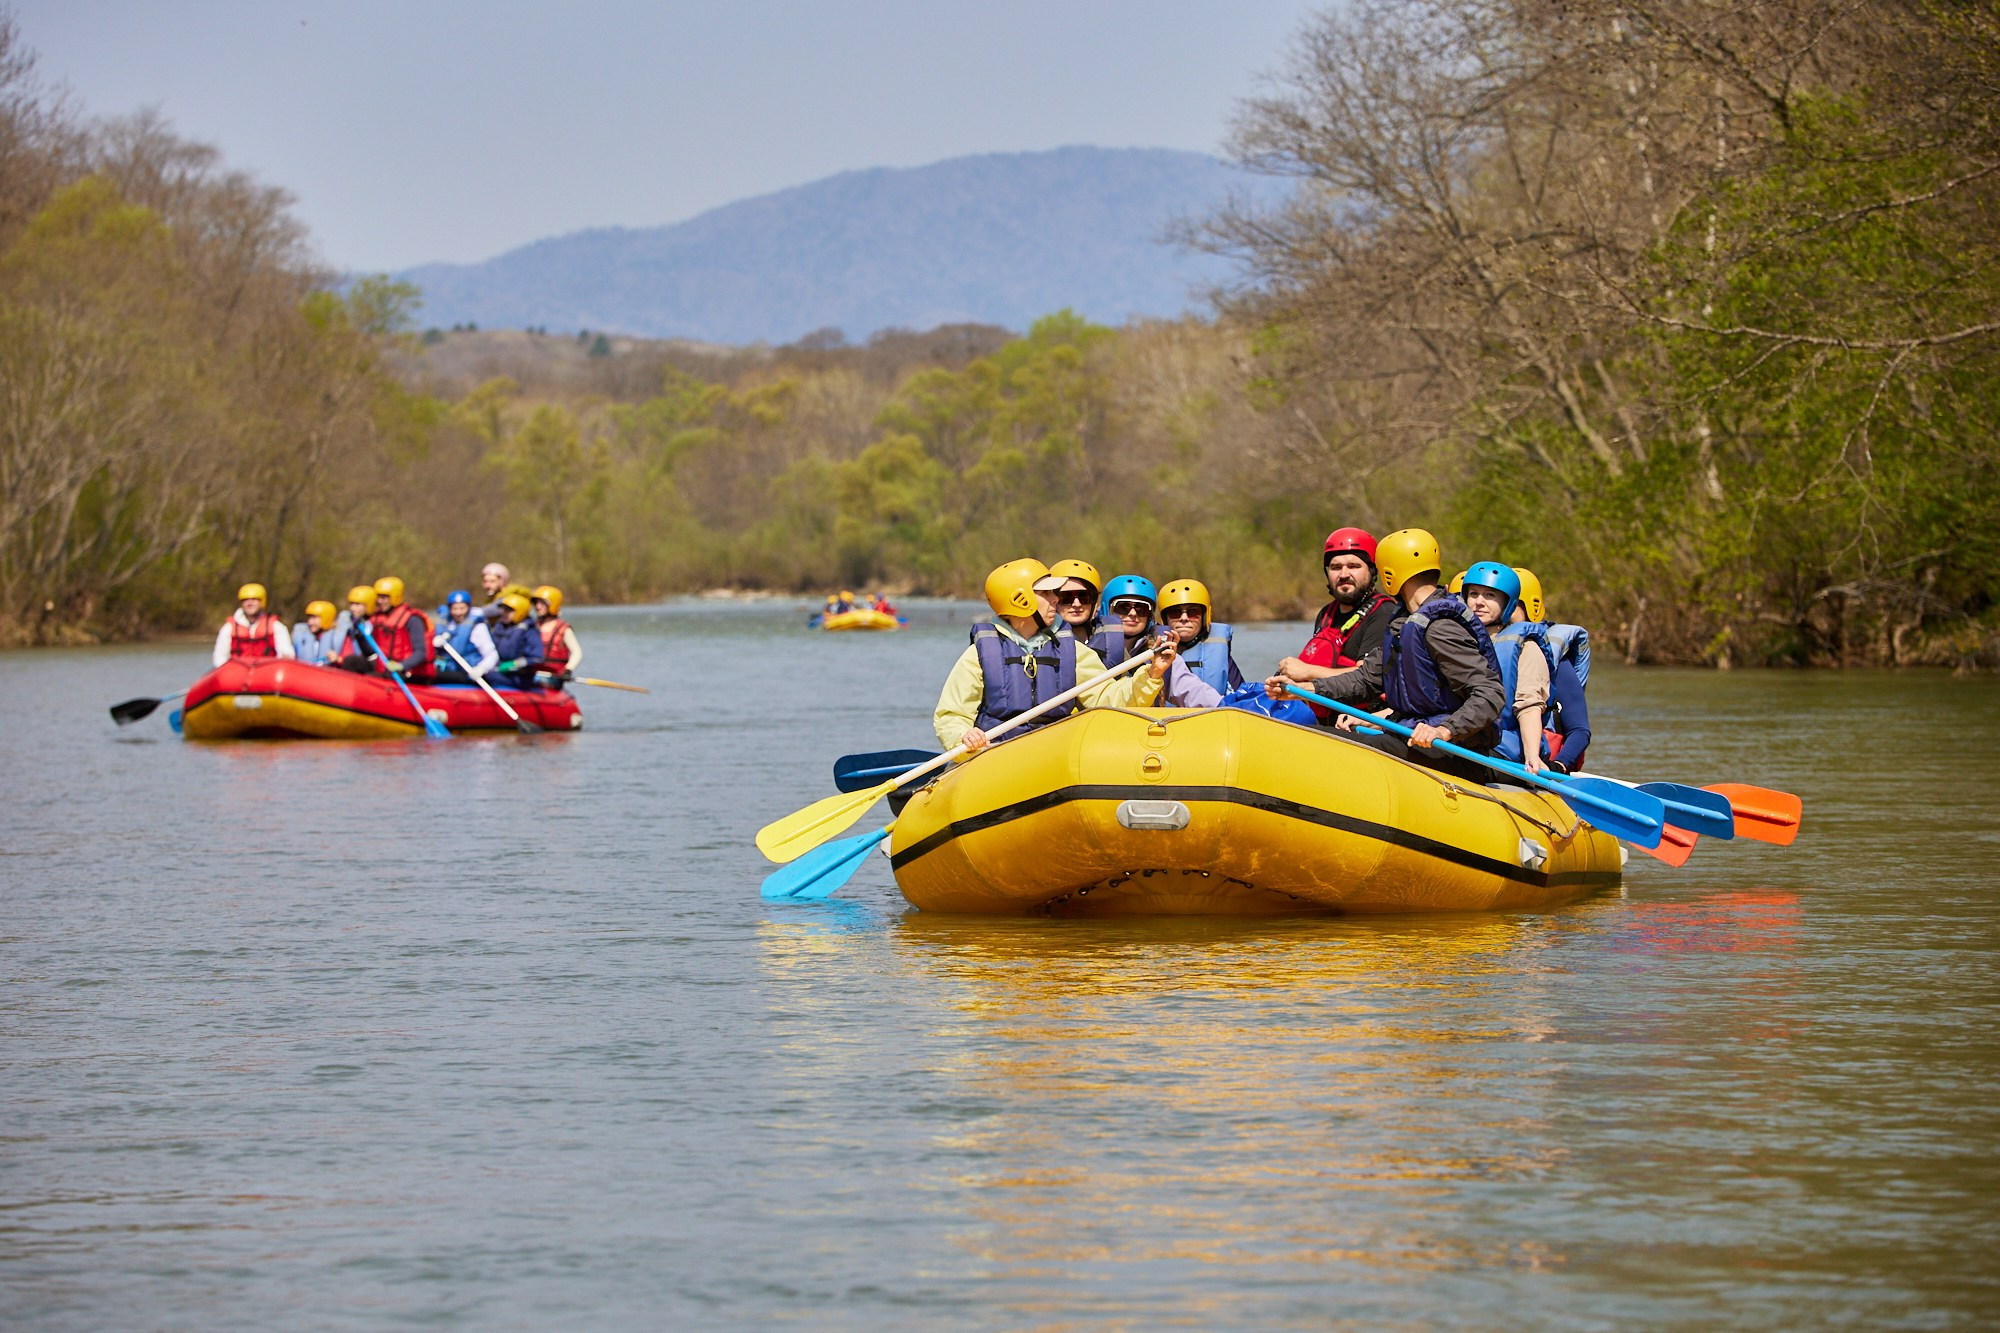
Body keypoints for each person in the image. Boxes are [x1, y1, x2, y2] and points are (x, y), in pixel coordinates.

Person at [1288, 528, 1506, 783]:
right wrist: (1305, 689)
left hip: (1449, 752)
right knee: (1310, 734)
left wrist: (1445, 730)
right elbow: (1367, 679)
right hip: (1410, 737)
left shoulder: (1440, 627)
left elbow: (1490, 692)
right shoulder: (1404, 622)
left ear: (1391, 573)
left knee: (1320, 741)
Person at [934, 558, 1176, 752]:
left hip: (1052, 757)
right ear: (1021, 600)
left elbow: (1108, 699)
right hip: (999, 755)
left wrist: (1152, 673)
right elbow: (951, 716)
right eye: (1047, 594)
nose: (1056, 599)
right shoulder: (979, 654)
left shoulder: (1072, 651)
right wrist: (964, 735)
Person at [1268, 527, 1401, 720]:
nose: (1343, 574)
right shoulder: (1326, 614)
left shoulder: (1383, 613)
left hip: (1361, 721)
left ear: (1372, 571)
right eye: (1336, 567)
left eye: (1354, 566)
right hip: (1323, 717)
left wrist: (1308, 671)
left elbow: (1368, 678)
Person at [1460, 561, 1554, 773]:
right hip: (1457, 738)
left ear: (1507, 603)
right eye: (1473, 594)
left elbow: (1528, 706)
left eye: (1490, 596)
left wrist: (1532, 756)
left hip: (1503, 752)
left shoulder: (1526, 647)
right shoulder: (1453, 641)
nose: (1479, 602)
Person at [1515, 568, 1592, 771]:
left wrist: (1559, 764)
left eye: (1513, 604)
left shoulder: (1555, 659)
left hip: (1545, 763)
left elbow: (1580, 731)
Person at [1157, 580, 1241, 696]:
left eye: (1193, 612)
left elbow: (1241, 697)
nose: (1184, 618)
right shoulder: (1149, 650)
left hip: (1213, 713)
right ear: (1165, 618)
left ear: (1204, 616)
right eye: (1175, 612)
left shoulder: (1220, 651)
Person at [368, 576, 434, 681]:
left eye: (384, 598)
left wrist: (401, 666)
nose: (380, 601)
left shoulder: (413, 620)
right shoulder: (377, 619)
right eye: (378, 597)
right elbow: (370, 650)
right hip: (385, 668)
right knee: (353, 662)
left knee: (374, 677)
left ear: (395, 597)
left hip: (408, 672)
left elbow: (421, 653)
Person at [212, 583, 294, 667]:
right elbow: (219, 658)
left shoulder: (276, 627)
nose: (249, 603)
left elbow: (287, 652)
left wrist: (286, 656)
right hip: (238, 673)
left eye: (254, 599)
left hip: (267, 672)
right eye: (245, 600)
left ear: (262, 602)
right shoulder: (228, 628)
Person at [431, 590, 498, 684]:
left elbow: (492, 655)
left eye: (462, 608)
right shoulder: (446, 625)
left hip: (468, 674)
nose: (458, 613)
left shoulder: (478, 627)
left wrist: (481, 669)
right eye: (454, 609)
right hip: (447, 671)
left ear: (469, 608)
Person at [1091, 574, 1157, 667]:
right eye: (1123, 607)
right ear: (1107, 609)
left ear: (1150, 615)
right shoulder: (1087, 650)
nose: (1133, 613)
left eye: (1141, 608)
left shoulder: (1163, 654)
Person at [1034, 558, 1104, 643]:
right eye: (1066, 597)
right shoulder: (1036, 643)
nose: (1077, 604)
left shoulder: (1107, 640)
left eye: (1084, 597)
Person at [486, 592, 545, 688]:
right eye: (503, 609)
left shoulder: (529, 631)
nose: (504, 613)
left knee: (489, 676)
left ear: (520, 612)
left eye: (508, 611)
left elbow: (537, 657)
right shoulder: (499, 627)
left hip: (519, 676)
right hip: (499, 669)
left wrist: (513, 664)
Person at [531, 585, 581, 684]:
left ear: (553, 605)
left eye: (542, 603)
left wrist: (568, 670)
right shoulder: (532, 626)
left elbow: (577, 653)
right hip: (532, 673)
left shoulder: (563, 629)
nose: (538, 606)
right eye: (536, 603)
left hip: (553, 677)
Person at [333, 585, 382, 673]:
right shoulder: (345, 618)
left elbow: (371, 652)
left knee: (351, 661)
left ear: (369, 605)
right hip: (341, 664)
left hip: (361, 666)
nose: (352, 608)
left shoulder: (375, 624)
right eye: (351, 604)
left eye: (358, 604)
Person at [291, 600, 344, 665]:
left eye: (314, 618)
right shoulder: (300, 634)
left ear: (326, 618)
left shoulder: (340, 637)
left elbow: (348, 662)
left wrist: (338, 659)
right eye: (309, 618)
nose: (310, 622)